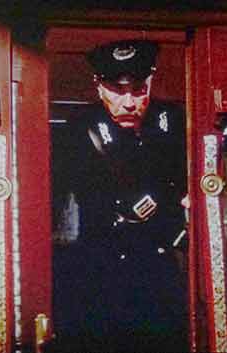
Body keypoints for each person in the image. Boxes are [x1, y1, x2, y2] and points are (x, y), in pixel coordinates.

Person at [54, 39, 189, 353]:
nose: (129, 102)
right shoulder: (78, 130)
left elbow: (199, 180)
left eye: (139, 89)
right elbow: (60, 203)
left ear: (151, 80)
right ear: (98, 86)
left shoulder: (173, 121)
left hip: (163, 265)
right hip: (101, 271)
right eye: (117, 90)